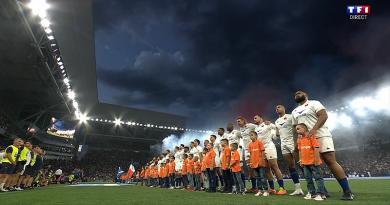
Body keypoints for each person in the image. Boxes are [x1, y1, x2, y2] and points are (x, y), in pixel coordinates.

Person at [292, 90, 353, 200]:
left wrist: (314, 129)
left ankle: (347, 191)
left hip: (321, 135)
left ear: (306, 95)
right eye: (295, 94)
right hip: (305, 141)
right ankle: (322, 191)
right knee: (308, 165)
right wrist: (296, 141)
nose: (297, 94)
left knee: (330, 161)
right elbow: (294, 128)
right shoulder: (294, 111)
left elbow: (323, 115)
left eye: (300, 92)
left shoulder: (314, 103)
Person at [275, 104, 304, 195]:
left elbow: (298, 128)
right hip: (283, 144)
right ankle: (297, 188)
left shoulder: (290, 117)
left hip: (292, 142)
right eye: (276, 108)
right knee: (291, 166)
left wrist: (297, 140)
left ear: (284, 108)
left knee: (302, 164)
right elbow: (277, 134)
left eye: (279, 107)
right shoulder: (276, 121)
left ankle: (314, 189)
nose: (277, 108)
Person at [254, 115, 287, 195]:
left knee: (274, 166)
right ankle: (272, 189)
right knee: (266, 169)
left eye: (256, 117)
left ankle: (282, 188)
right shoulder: (256, 128)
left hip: (269, 147)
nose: (254, 119)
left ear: (261, 118)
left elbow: (276, 128)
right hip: (261, 149)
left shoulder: (267, 124)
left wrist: (271, 124)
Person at [296, 123, 326, 201]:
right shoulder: (299, 139)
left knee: (318, 178)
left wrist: (316, 159)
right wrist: (300, 160)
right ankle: (312, 194)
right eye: (296, 129)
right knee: (308, 179)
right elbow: (300, 150)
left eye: (298, 128)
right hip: (305, 163)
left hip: (313, 162)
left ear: (304, 129)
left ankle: (321, 194)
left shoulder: (311, 137)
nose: (297, 130)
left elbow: (316, 148)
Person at [236, 116, 257, 192]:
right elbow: (243, 137)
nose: (238, 123)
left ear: (243, 121)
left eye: (239, 121)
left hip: (254, 149)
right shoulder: (241, 129)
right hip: (246, 150)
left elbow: (258, 128)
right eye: (237, 121)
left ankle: (259, 187)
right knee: (250, 168)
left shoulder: (250, 126)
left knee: (255, 167)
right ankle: (254, 187)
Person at [247, 131, 269, 197]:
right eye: (250, 135)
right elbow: (250, 154)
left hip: (260, 163)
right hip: (254, 164)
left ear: (256, 136)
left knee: (263, 177)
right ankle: (259, 190)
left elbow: (262, 152)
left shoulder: (259, 142)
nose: (251, 136)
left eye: (252, 135)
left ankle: (266, 191)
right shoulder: (250, 144)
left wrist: (262, 161)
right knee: (257, 178)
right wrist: (250, 162)